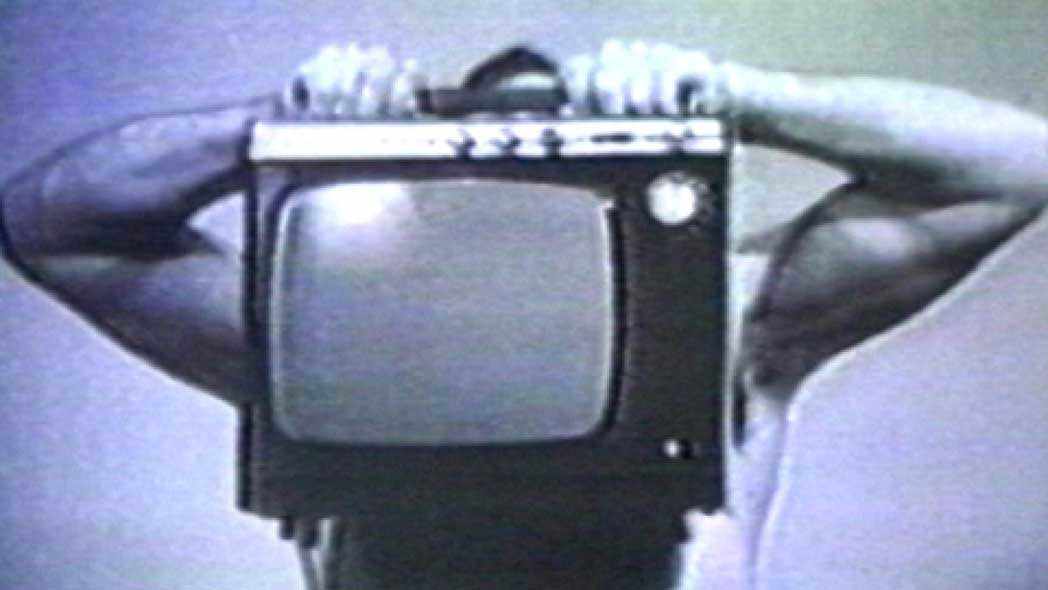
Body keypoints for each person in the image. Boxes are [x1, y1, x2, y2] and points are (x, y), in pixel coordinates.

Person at [0, 40, 1044, 590]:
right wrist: (271, 128)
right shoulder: (328, 335)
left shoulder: (729, 318)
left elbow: (1015, 164)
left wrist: (736, 94)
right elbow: (49, 224)